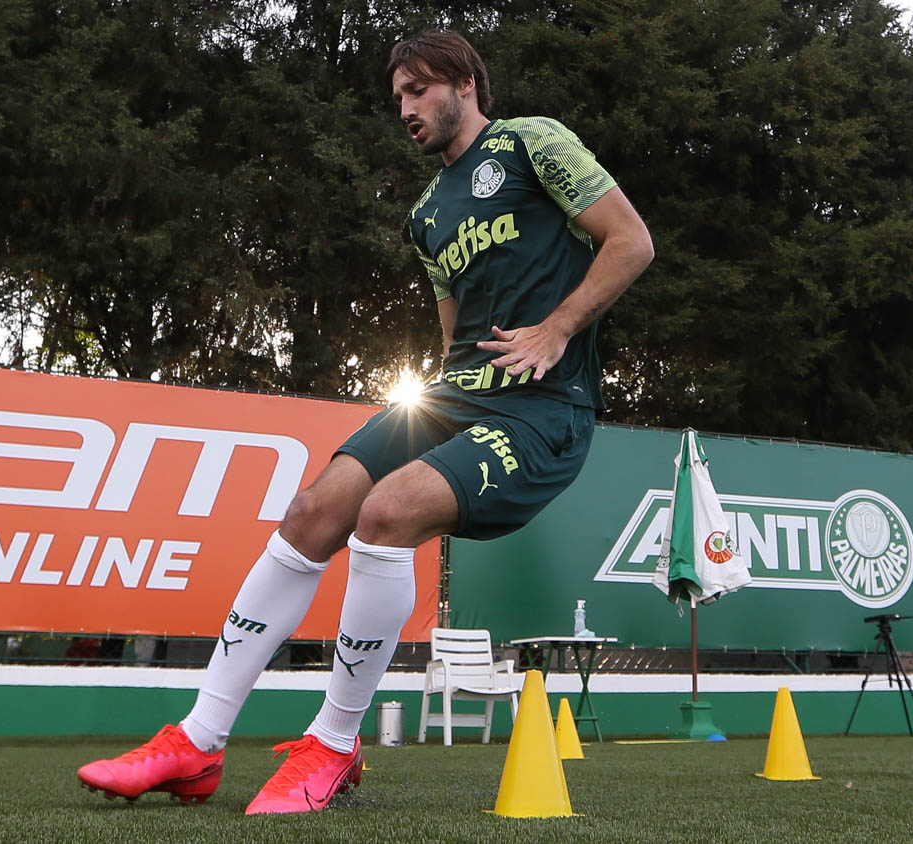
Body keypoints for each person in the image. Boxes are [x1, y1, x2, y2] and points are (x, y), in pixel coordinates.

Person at [75, 29, 653, 815]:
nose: (406, 110)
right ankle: (198, 744)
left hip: (544, 409)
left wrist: (557, 328)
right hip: (457, 397)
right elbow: (453, 336)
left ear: (463, 82)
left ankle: (337, 744)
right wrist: (448, 392)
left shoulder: (531, 143)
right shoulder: (427, 214)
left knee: (385, 514)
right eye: (397, 99)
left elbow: (630, 241)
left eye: (418, 91)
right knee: (313, 511)